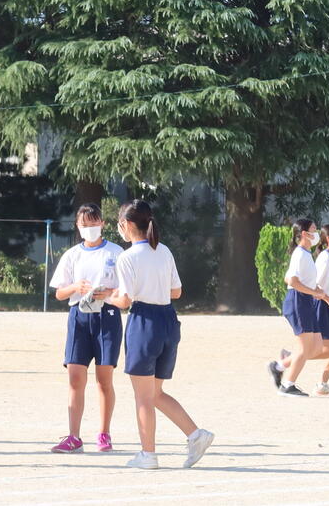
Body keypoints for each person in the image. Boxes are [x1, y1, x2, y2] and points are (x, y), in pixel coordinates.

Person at [107, 200, 214, 470]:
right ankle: (196, 435)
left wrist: (104, 297)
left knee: (143, 396)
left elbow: (125, 300)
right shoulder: (163, 250)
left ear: (126, 224)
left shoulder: (127, 257)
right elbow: (176, 291)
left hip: (144, 321)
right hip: (168, 319)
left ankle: (148, 454)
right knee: (154, 393)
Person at [48, 203, 123, 453]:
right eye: (84, 224)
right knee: (75, 377)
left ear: (102, 224)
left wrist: (108, 292)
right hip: (79, 316)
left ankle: (104, 433)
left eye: (93, 223)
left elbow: (126, 288)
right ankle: (74, 436)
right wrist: (75, 287)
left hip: (107, 316)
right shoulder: (72, 255)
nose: (89, 228)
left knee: (104, 379)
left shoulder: (115, 252)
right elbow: (59, 293)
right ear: (77, 227)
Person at [270, 225, 329, 396]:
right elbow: (292, 280)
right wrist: (323, 297)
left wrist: (320, 294)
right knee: (312, 349)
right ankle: (287, 380)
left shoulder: (309, 255)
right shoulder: (309, 255)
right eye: (313, 230)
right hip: (308, 302)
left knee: (324, 347)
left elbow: (306, 281)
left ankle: (287, 363)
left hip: (314, 302)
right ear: (304, 233)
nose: (316, 233)